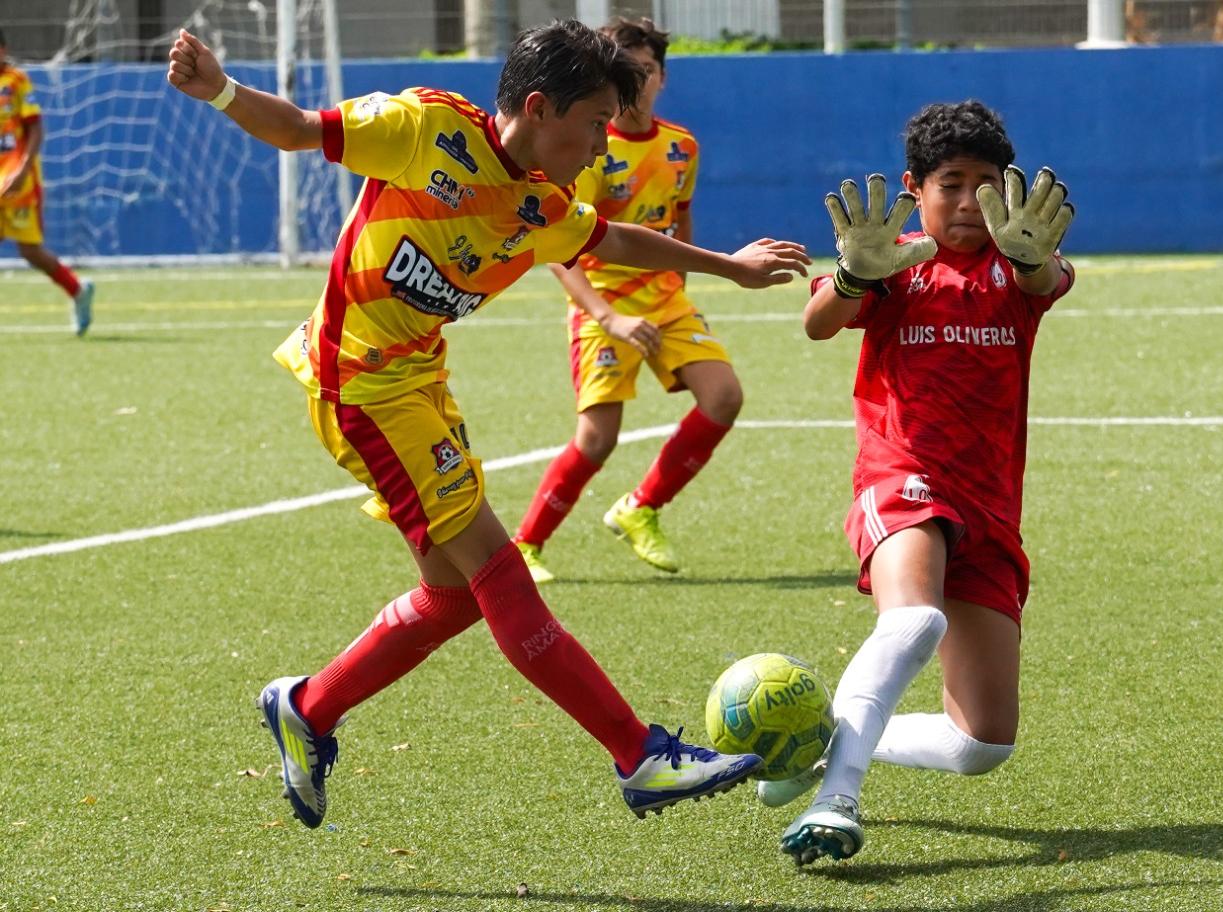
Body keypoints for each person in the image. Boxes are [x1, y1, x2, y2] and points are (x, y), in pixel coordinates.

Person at [166, 20, 810, 829]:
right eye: (593, 124)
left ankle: (308, 707)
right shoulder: (423, 128)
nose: (601, 146)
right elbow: (297, 130)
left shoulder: (541, 203)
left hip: (421, 385)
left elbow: (613, 238)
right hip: (361, 387)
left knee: (452, 596)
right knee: (499, 574)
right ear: (539, 108)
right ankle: (638, 754)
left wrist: (730, 267)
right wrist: (220, 90)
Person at [768, 101, 1076, 865]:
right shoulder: (890, 261)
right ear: (913, 187)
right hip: (903, 478)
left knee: (981, 745)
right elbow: (817, 322)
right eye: (950, 184)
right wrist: (853, 274)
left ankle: (828, 739)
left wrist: (1031, 260)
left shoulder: (1017, 264)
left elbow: (1048, 277)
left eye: (984, 184)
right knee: (914, 621)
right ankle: (835, 798)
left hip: (989, 510)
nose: (969, 201)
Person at [511, 17, 734, 581]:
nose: (638, 79)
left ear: (662, 77)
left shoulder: (681, 145)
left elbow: (680, 218)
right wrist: (607, 317)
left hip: (666, 299)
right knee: (597, 438)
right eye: (626, 69)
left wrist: (680, 281)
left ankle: (641, 507)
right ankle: (526, 545)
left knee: (724, 397)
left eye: (647, 69)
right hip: (603, 302)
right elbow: (561, 247)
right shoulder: (589, 150)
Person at [1, 28, 93, 335]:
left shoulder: (15, 81)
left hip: (18, 182)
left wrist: (22, 170)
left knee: (30, 251)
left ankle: (78, 290)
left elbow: (35, 128)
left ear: (3, 50)